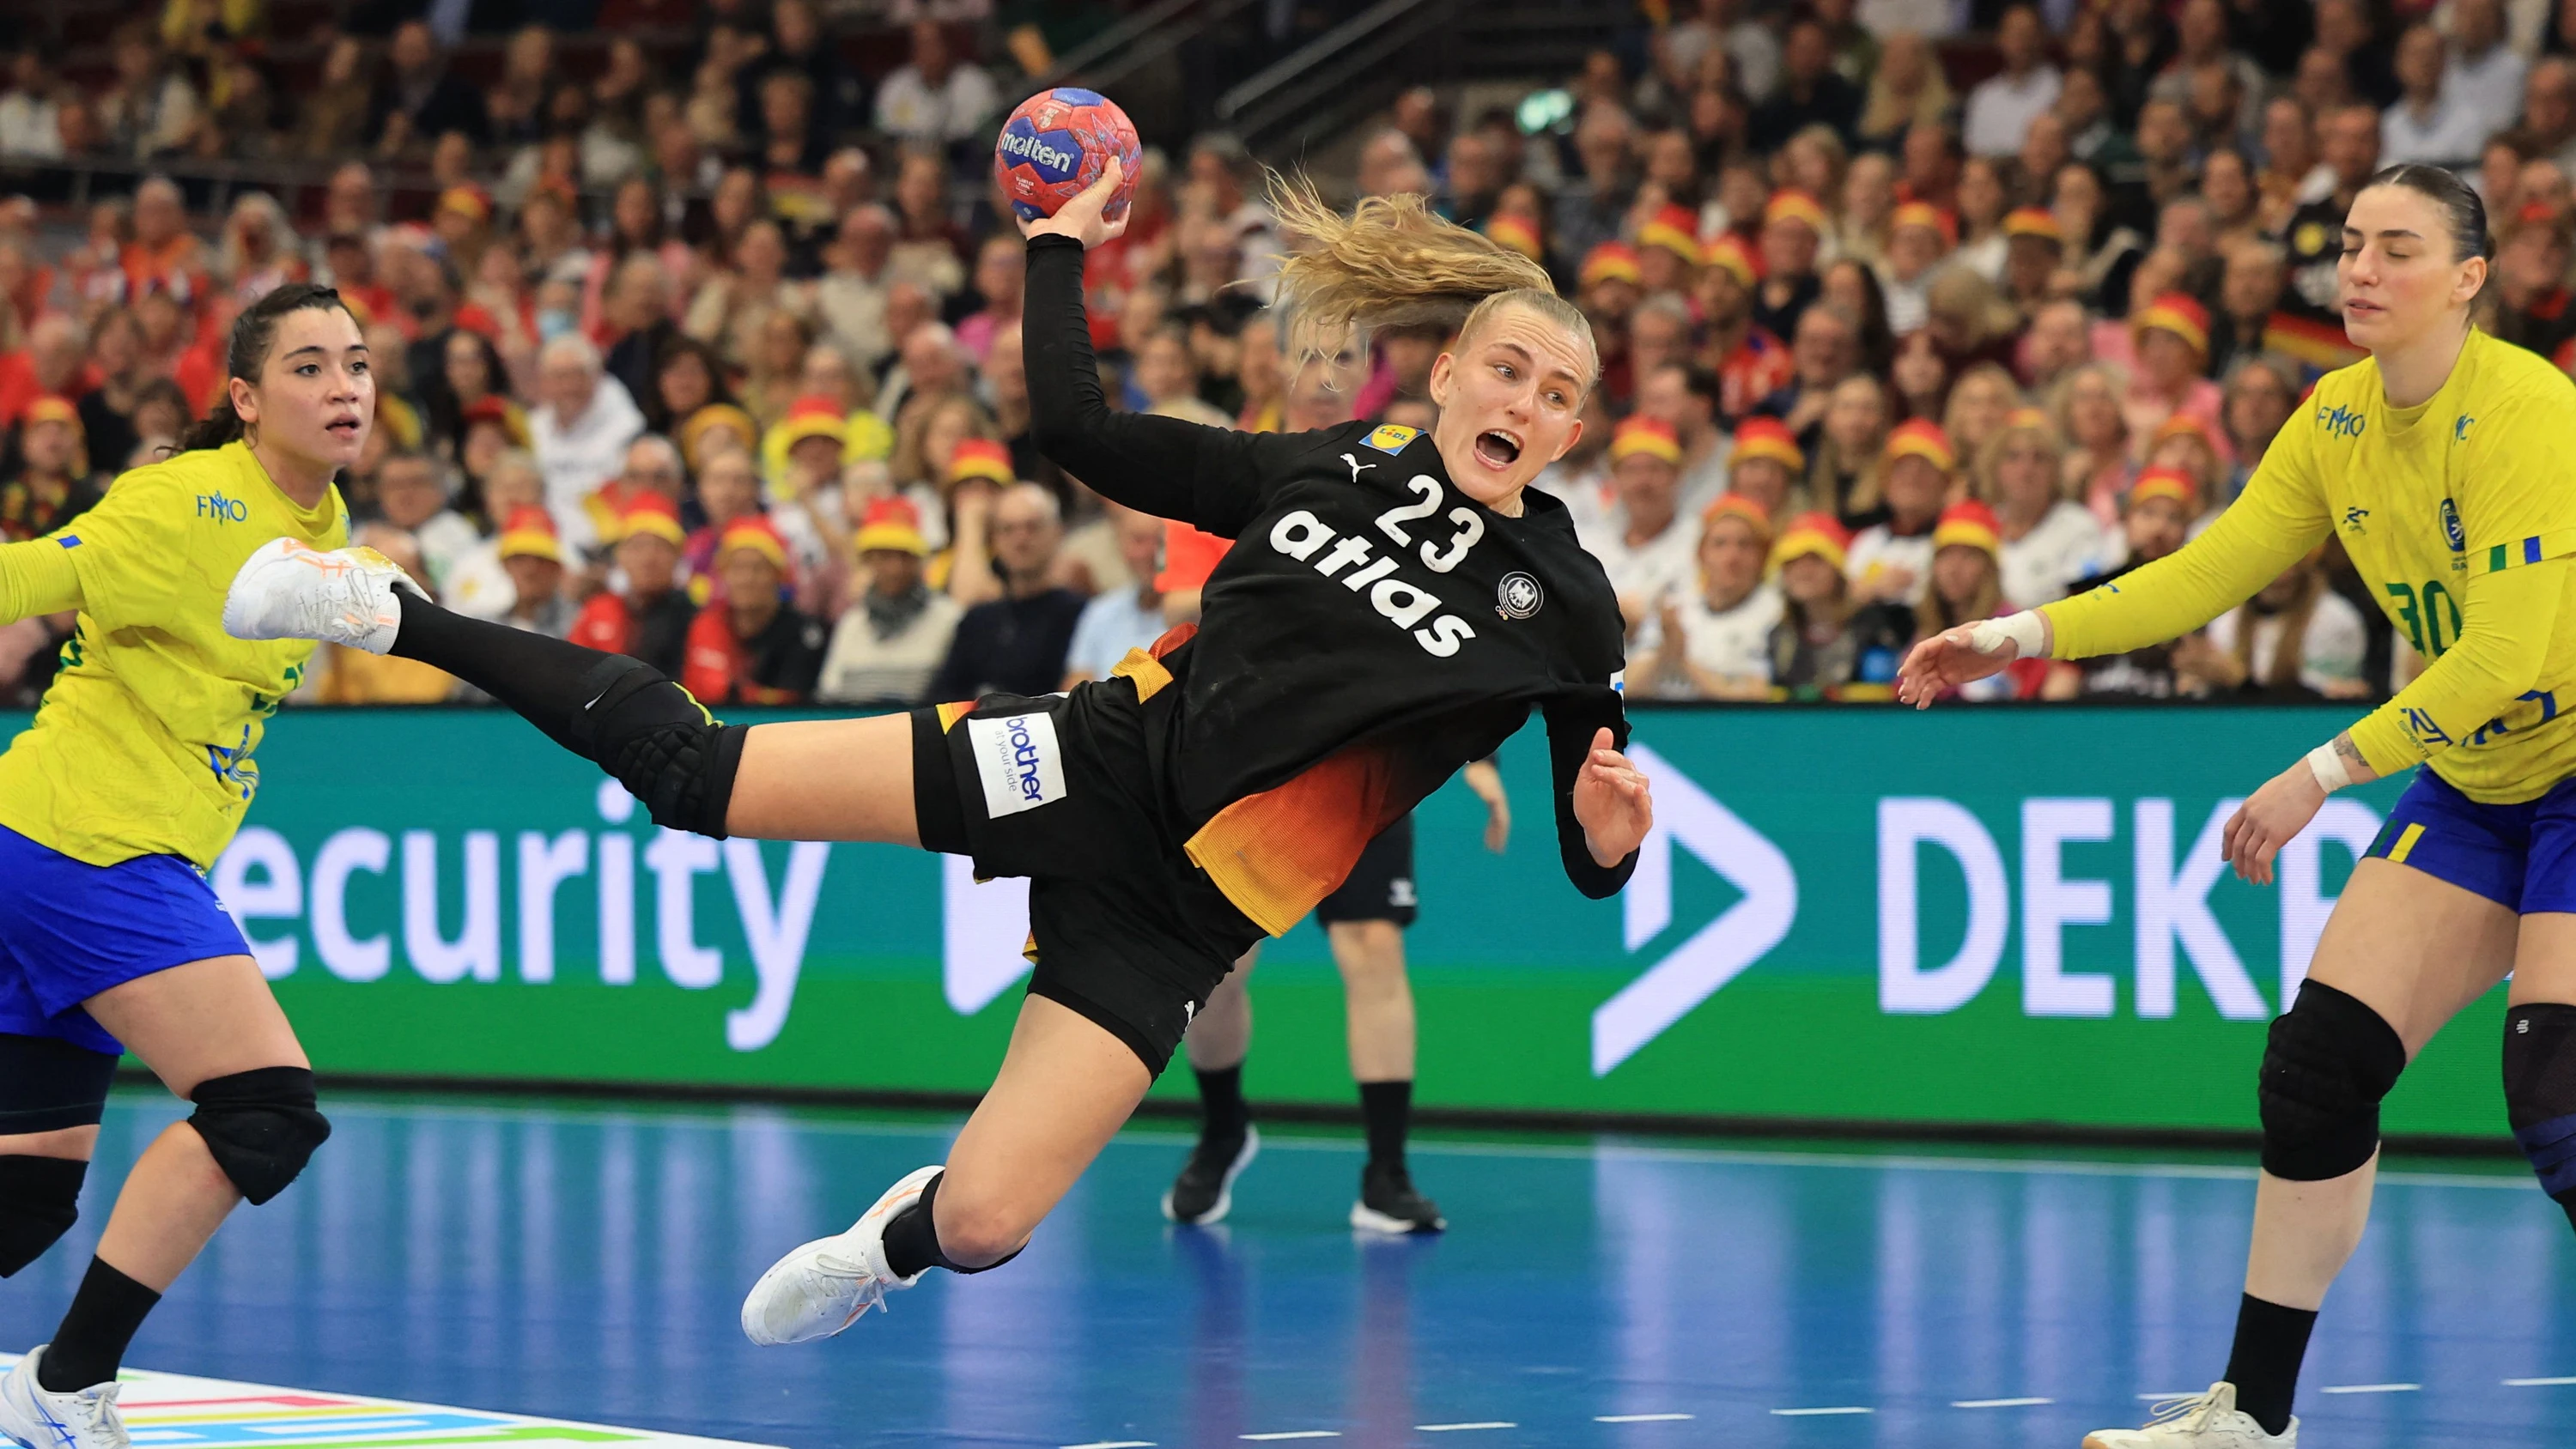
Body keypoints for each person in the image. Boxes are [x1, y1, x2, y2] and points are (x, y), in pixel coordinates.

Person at [220, 163, 1651, 1352]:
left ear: (1572, 432)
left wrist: (1608, 828)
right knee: (700, 780)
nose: (1523, 401)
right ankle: (394, 612)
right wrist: (1055, 246)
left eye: (1556, 393)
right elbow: (1075, 427)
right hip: (1083, 761)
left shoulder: (1570, 608)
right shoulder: (1325, 463)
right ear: (1449, 370)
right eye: (1506, 367)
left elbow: (1595, 863)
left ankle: (883, 1246)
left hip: (1184, 918)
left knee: (982, 1224)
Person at [1901, 166, 2576, 1449]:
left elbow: (2501, 655)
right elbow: (2206, 571)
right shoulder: (2337, 417)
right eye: (2351, 243)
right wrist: (2020, 634)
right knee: (2317, 1070)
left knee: (2558, 1094)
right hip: (2486, 780)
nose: (2360, 268)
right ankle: (2251, 1420)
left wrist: (2319, 772)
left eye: (2398, 248)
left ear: (2471, 278)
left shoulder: (2528, 412)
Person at [0, 284, 362, 1448]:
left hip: (47, 845)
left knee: (21, 1202)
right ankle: (64, 1387)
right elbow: (27, 581)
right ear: (245, 398)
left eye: (356, 363)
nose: (345, 386)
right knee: (264, 1109)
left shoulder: (325, 520)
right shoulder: (182, 500)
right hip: (89, 844)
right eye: (309, 367)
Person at [817, 498, 963, 706]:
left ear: (919, 561)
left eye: (905, 556)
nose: (896, 568)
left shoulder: (950, 618)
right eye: (885, 556)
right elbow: (827, 697)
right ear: (868, 560)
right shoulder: (851, 624)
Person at [1634, 494, 1779, 700]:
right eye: (1719, 544)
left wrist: (1682, 659)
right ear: (1701, 554)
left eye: (1744, 545)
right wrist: (1664, 652)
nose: (1732, 556)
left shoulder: (1776, 612)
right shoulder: (1674, 605)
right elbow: (1626, 689)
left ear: (1763, 556)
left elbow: (1758, 697)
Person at [680, 518, 829, 706]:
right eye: (737, 568)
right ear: (723, 574)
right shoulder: (706, 626)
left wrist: (734, 691)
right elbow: (696, 693)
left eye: (758, 569)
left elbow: (791, 702)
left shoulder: (805, 634)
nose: (747, 579)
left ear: (779, 575)